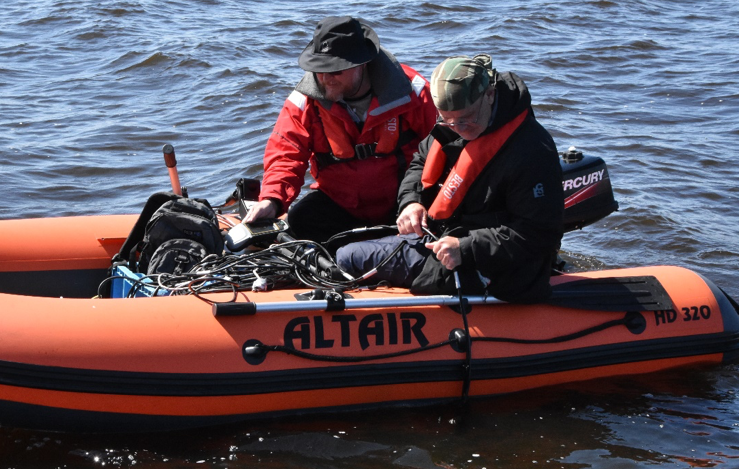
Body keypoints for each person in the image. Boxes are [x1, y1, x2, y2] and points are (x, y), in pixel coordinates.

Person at [336, 54, 564, 303]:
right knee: (342, 245)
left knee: (348, 257)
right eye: (448, 120)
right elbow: (420, 163)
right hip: (442, 238)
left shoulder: (532, 150)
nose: (459, 128)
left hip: (493, 268)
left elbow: (539, 234)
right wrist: (411, 202)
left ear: (489, 94)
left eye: (466, 119)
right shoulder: (455, 122)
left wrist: (465, 249)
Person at [242, 16, 437, 243]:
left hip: (404, 204)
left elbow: (444, 150)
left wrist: (416, 201)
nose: (326, 79)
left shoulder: (413, 91)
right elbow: (286, 154)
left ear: (362, 64)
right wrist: (272, 200)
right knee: (298, 221)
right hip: (341, 205)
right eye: (319, 69)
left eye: (335, 71)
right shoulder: (303, 102)